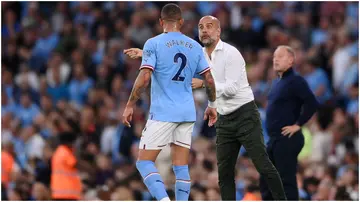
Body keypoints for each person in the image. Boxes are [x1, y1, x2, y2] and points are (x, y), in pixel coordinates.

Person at [124, 15, 287, 201]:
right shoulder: (197, 53)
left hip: (244, 114)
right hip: (223, 117)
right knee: (224, 173)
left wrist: (204, 85)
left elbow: (232, 88)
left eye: (210, 26)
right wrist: (145, 54)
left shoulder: (231, 53)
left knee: (262, 164)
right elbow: (175, 64)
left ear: (219, 31)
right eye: (201, 27)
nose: (204, 30)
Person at [122, 4, 217, 201]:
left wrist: (130, 104)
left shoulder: (153, 43)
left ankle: (164, 200)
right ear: (181, 22)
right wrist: (212, 105)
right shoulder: (195, 47)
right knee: (180, 166)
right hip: (187, 113)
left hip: (163, 112)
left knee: (144, 163)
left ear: (160, 22)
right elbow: (209, 79)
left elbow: (145, 77)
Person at [260, 45, 318, 200]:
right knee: (266, 180)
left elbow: (312, 103)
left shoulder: (296, 81)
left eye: (280, 56)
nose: (275, 60)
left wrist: (298, 124)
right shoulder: (277, 83)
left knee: (286, 180)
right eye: (274, 57)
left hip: (287, 138)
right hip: (274, 139)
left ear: (291, 60)